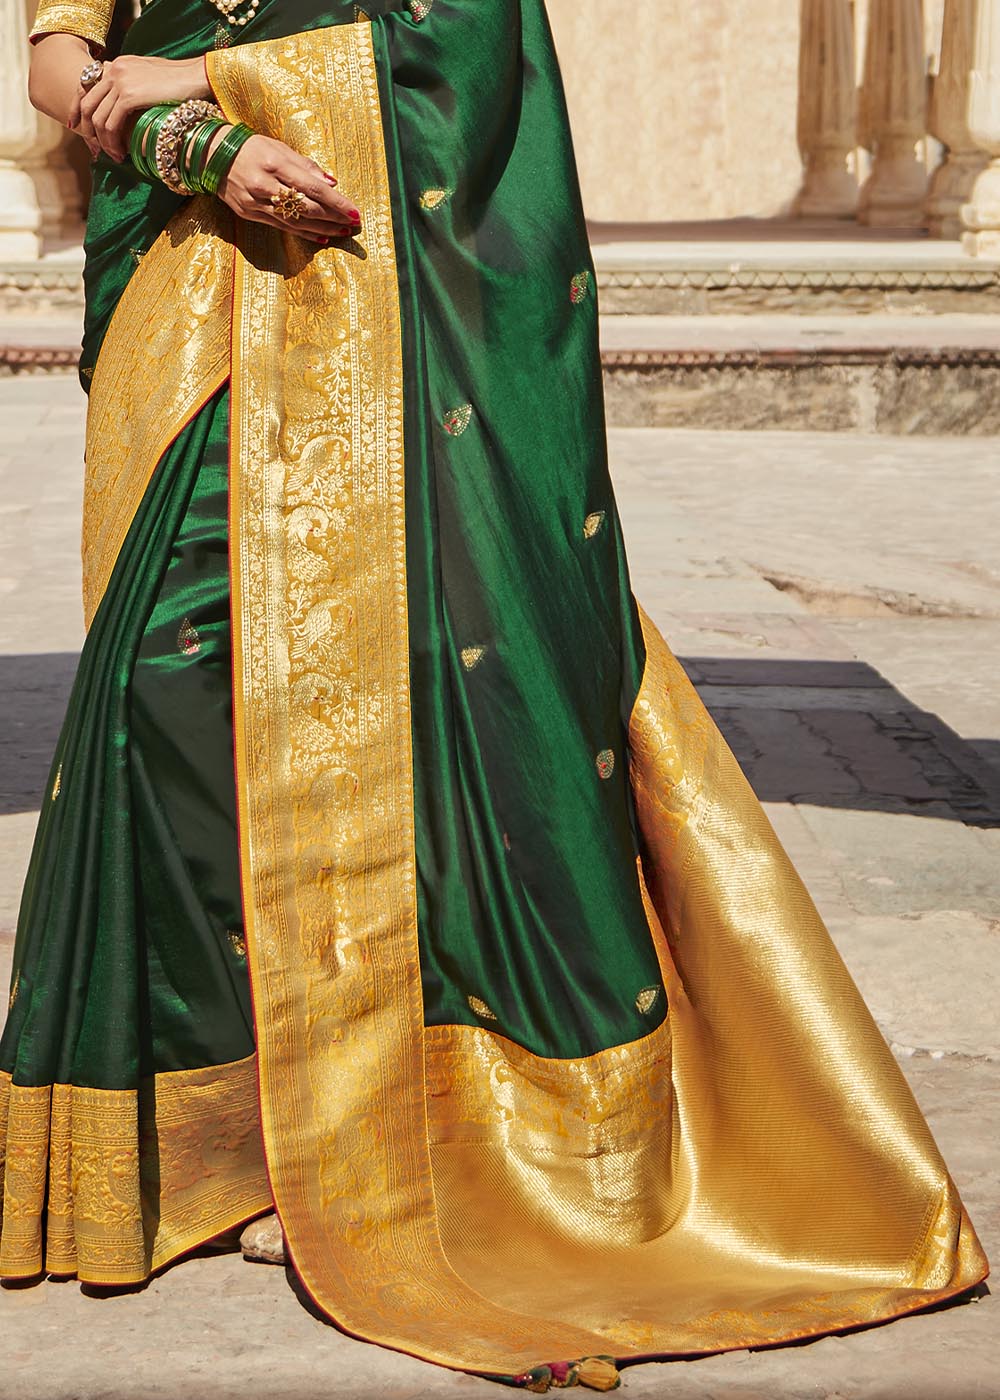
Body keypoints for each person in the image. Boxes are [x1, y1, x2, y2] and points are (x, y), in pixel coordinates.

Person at [0, 0, 987, 1391]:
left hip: (371, 290)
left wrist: (217, 75)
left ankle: (387, 1134)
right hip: (180, 298)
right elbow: (58, 50)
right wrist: (179, 129)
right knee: (171, 685)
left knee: (404, 697)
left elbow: (469, 43)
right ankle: (225, 1134)